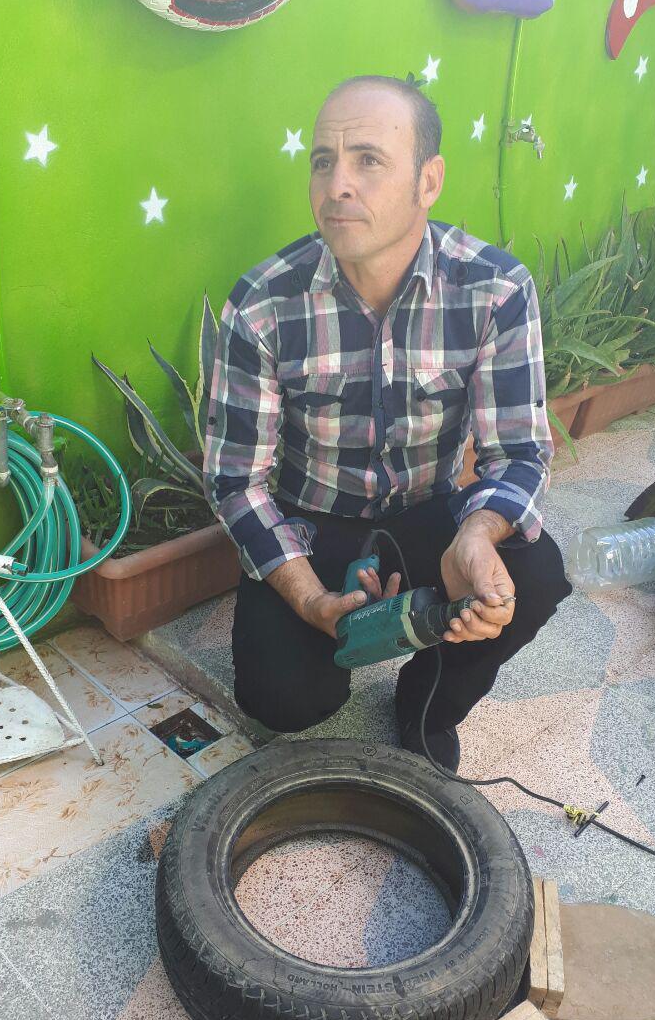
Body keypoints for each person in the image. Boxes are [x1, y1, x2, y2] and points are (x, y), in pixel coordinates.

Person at [201, 74, 571, 773]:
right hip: (315, 522)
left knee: (532, 574)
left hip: (432, 515)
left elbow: (519, 452)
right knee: (283, 698)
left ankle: (428, 702)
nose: (337, 185)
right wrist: (311, 599)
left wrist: (476, 535)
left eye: (368, 159)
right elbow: (235, 481)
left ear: (428, 181)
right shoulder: (263, 303)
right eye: (323, 161)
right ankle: (325, 652)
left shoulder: (494, 290)